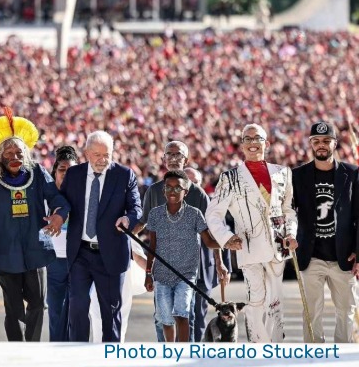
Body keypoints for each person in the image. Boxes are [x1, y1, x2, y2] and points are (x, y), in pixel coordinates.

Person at [0, 108, 70, 342]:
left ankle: (32, 351)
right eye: (8, 154)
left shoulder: (37, 172)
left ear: (25, 154)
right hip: (5, 254)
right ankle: (17, 352)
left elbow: (58, 200)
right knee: (13, 310)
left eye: (18, 153)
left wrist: (58, 216)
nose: (14, 157)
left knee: (37, 305)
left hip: (36, 250)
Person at [205, 123, 299, 343]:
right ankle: (258, 348)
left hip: (278, 248)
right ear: (242, 145)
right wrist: (227, 238)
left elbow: (289, 211)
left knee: (275, 303)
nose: (253, 143)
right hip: (249, 247)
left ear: (266, 143)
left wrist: (291, 232)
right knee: (256, 299)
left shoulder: (283, 173)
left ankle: (274, 350)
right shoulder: (231, 178)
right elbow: (213, 214)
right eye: (247, 139)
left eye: (257, 138)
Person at [133, 141, 230, 342]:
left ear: (186, 160)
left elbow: (211, 232)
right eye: (170, 154)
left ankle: (186, 359)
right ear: (164, 160)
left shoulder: (198, 194)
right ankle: (165, 357)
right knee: (162, 318)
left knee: (187, 316)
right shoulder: (153, 191)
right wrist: (123, 235)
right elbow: (143, 222)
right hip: (161, 268)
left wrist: (219, 263)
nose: (174, 158)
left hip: (187, 268)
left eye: (179, 155)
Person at [61, 130, 142, 342]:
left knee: (111, 311)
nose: (102, 159)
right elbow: (62, 203)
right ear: (87, 153)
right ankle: (78, 356)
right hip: (80, 252)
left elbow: (136, 208)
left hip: (111, 253)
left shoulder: (124, 175)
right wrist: (57, 215)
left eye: (107, 154)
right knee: (77, 307)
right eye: (97, 154)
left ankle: (110, 358)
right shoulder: (74, 175)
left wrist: (128, 219)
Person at [292, 121, 359, 343]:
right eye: (317, 141)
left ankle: (342, 358)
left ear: (335, 143)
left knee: (346, 312)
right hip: (311, 256)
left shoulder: (352, 173)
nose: (321, 145)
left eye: (326, 141)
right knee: (311, 314)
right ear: (311, 144)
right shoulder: (297, 176)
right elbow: (288, 212)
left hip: (344, 257)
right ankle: (314, 357)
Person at [46, 145, 78, 341]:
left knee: (77, 314)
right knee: (56, 314)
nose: (66, 174)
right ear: (55, 171)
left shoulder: (85, 196)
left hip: (78, 261)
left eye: (71, 170)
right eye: (62, 169)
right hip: (53, 262)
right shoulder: (44, 195)